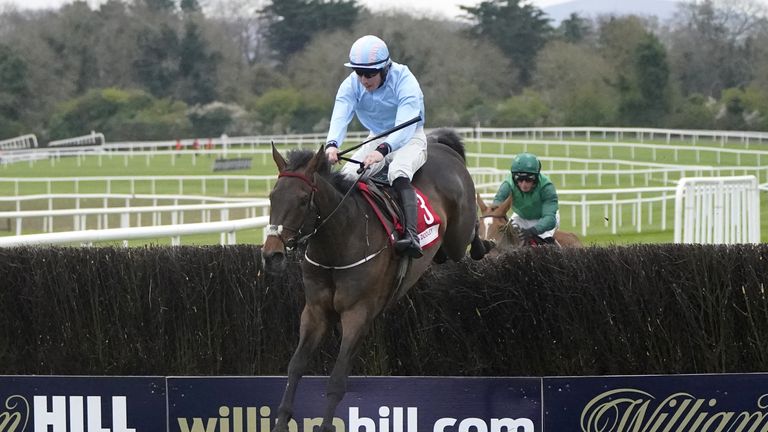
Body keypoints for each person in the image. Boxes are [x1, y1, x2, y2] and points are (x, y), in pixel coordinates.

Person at [324, 34, 427, 259]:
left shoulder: (405, 79)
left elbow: (405, 124)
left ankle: (412, 235)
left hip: (410, 137)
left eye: (369, 74)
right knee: (347, 177)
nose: (363, 79)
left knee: (398, 171)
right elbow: (341, 114)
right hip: (377, 137)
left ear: (385, 68)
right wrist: (332, 145)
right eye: (359, 73)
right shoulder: (351, 84)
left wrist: (382, 150)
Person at [492, 152, 560, 245]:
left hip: (544, 219)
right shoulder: (508, 185)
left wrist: (532, 231)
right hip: (521, 217)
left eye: (528, 180)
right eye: (519, 179)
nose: (523, 184)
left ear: (535, 178)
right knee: (503, 239)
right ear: (514, 178)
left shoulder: (547, 187)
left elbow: (549, 219)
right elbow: (496, 206)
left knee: (544, 244)